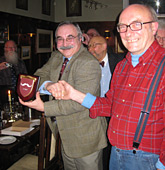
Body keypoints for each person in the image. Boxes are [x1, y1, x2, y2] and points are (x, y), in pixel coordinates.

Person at [44, 4, 165, 170]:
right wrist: (73, 94)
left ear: (153, 27)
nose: (128, 33)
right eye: (122, 27)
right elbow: (110, 105)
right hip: (116, 154)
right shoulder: (123, 66)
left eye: (136, 24)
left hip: (148, 159)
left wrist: (162, 165)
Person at [19, 21, 107, 170]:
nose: (64, 43)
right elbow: (38, 75)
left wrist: (44, 107)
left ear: (80, 38)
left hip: (85, 138)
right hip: (64, 135)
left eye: (70, 37)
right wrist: (48, 85)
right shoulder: (56, 57)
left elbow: (79, 102)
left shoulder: (88, 62)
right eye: (60, 38)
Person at [88, 35, 124, 170]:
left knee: (112, 147)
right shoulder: (87, 64)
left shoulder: (120, 61)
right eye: (89, 46)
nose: (90, 49)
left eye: (94, 45)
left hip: (115, 111)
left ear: (104, 47)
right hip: (97, 111)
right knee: (99, 147)